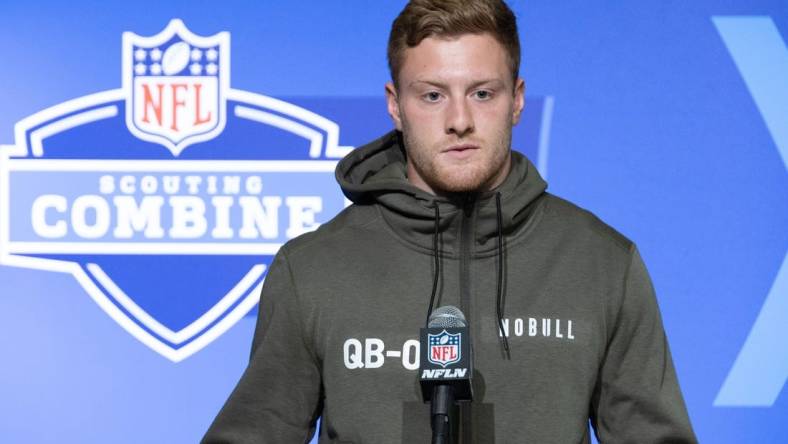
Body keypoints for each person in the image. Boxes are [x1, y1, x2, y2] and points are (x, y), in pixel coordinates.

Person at [203, 0, 697, 442]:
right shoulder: (312, 269)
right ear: (396, 105)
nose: (459, 120)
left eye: (482, 93)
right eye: (433, 95)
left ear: (517, 100)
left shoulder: (602, 262)